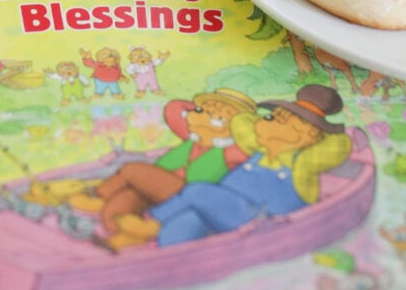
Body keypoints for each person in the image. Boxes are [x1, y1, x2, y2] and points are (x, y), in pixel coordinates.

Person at [115, 85, 352, 248]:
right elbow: (241, 122)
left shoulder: (302, 164)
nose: (262, 122)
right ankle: (150, 246)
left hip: (261, 222)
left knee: (199, 191)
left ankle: (151, 224)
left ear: (306, 134)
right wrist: (272, 125)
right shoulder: (258, 152)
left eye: (275, 120)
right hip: (225, 214)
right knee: (180, 227)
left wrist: (319, 130)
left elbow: (339, 145)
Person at [70, 88, 255, 247]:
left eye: (205, 112)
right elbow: (174, 109)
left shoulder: (230, 150)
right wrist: (207, 108)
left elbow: (252, 149)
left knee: (131, 169)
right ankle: (122, 239)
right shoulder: (191, 139)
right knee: (120, 205)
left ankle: (98, 194)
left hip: (184, 194)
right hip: (155, 190)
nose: (192, 113)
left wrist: (242, 124)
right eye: (198, 109)